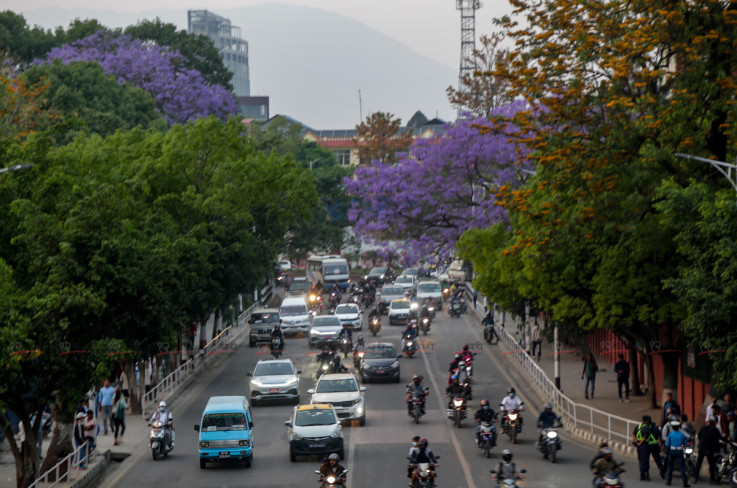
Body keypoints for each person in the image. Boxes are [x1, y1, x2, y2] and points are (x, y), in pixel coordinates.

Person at [632, 414, 664, 481]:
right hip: (654, 445)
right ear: (649, 420)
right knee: (658, 459)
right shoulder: (655, 427)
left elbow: (633, 434)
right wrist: (661, 446)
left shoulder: (638, 427)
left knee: (644, 460)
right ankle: (661, 470)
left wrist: (636, 442)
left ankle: (644, 474)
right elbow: (660, 437)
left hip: (643, 446)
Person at [695, 417, 725, 485]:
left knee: (699, 463)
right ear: (715, 422)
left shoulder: (704, 427)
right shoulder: (715, 429)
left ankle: (695, 477)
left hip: (701, 447)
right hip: (709, 449)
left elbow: (699, 436)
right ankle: (712, 479)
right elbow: (720, 438)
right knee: (712, 464)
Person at [664, 419, 690, 487]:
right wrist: (681, 446)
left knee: (670, 467)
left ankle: (668, 481)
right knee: (682, 467)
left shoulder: (670, 435)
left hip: (672, 451)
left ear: (672, 427)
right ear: (678, 427)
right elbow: (684, 444)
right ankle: (685, 483)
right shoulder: (682, 435)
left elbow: (667, 445)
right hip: (679, 451)